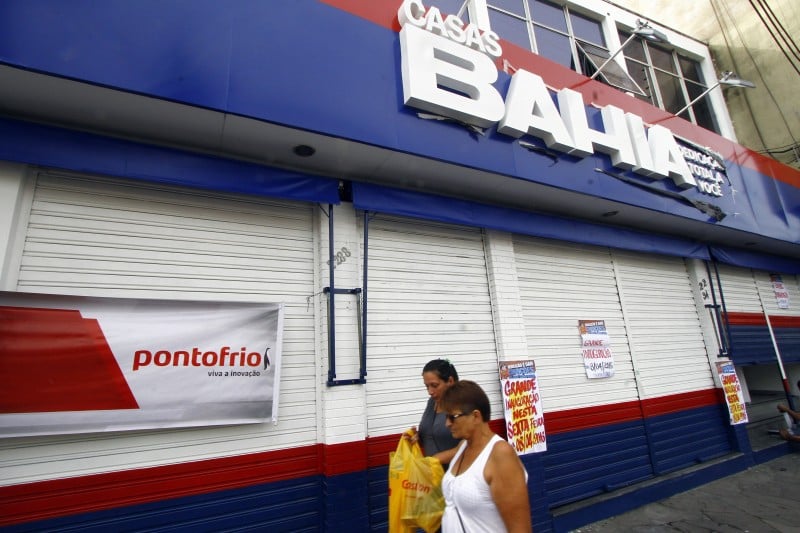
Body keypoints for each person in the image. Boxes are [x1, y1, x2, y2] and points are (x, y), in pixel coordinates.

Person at [440, 380, 531, 533]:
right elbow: (436, 459)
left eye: (452, 417)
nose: (447, 424)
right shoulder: (463, 448)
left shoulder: (500, 455)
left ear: (476, 416)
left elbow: (520, 529)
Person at [407, 359, 461, 466]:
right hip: (433, 477)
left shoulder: (462, 404)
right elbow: (432, 435)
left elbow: (471, 444)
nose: (430, 392)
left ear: (450, 381)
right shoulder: (432, 402)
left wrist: (436, 459)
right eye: (427, 386)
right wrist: (417, 438)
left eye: (434, 385)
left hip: (459, 476)